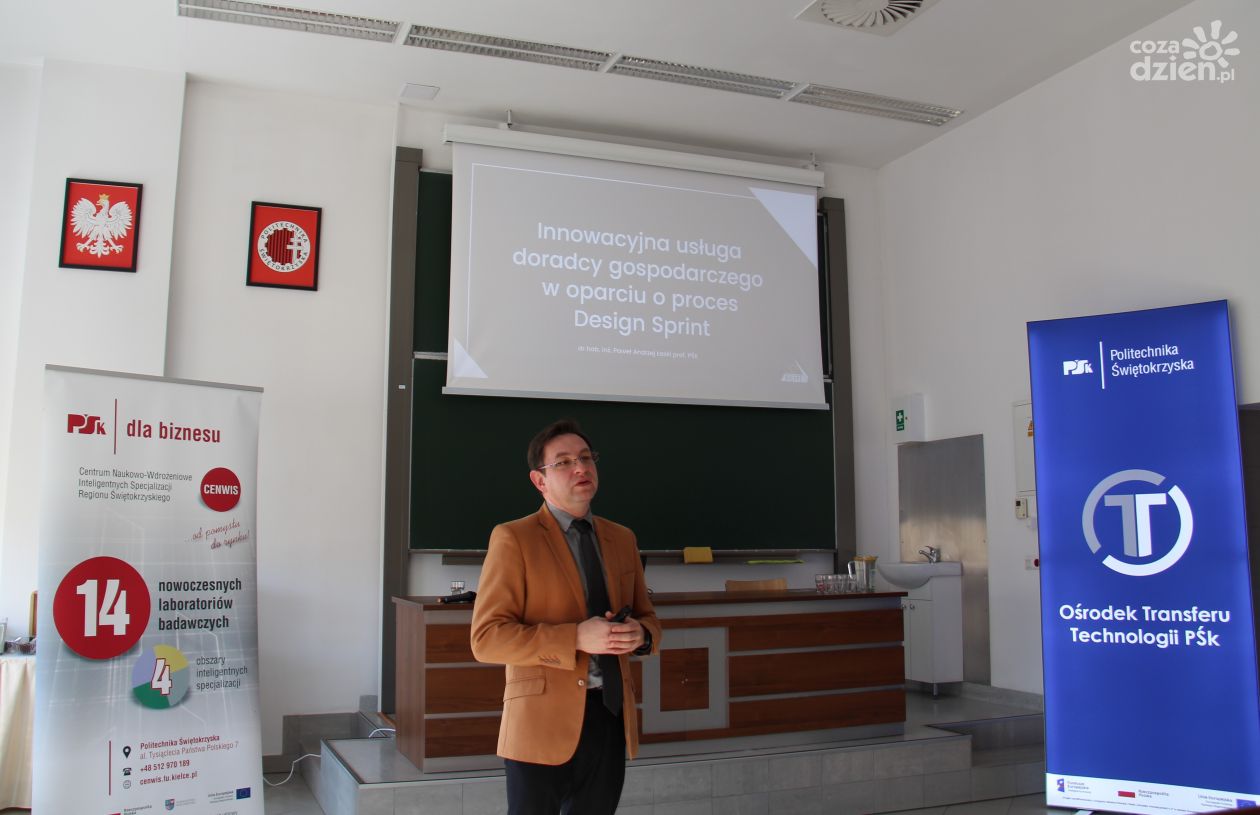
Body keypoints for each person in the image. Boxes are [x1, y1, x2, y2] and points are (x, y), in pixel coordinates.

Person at [470, 419, 661, 814]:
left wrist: (640, 635)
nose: (581, 468)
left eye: (586, 458)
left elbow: (648, 618)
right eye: (564, 462)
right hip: (540, 722)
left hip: (609, 715)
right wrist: (575, 637)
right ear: (539, 480)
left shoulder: (622, 538)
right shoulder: (514, 538)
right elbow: (486, 638)